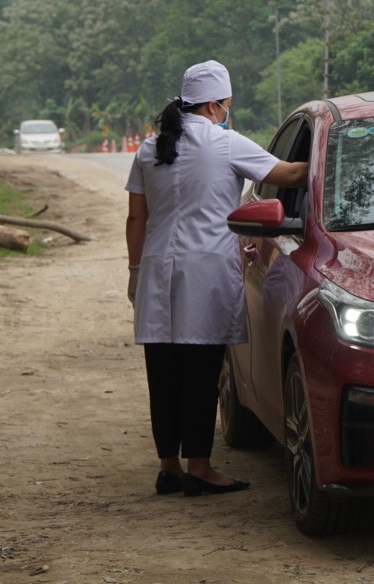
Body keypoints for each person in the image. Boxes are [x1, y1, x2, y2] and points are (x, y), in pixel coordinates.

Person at [125, 60, 310, 496]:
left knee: (163, 373)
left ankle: (169, 466)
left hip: (155, 270)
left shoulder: (148, 149)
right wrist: (331, 154)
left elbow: (136, 217)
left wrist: (134, 271)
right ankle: (201, 467)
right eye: (226, 105)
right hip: (205, 271)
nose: (227, 111)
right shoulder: (225, 144)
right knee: (202, 372)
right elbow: (288, 174)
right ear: (214, 105)